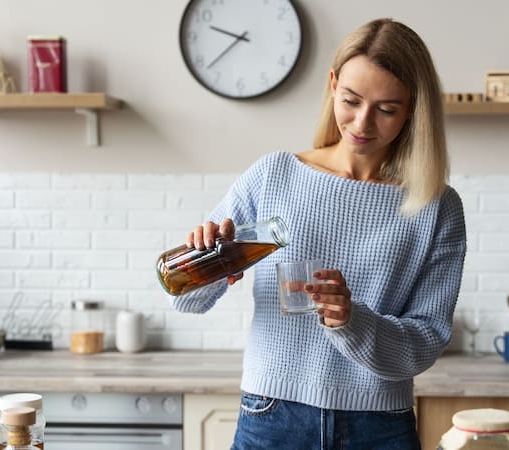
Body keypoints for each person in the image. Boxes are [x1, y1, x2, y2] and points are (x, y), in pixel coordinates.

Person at [170, 18, 466, 449]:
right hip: (272, 415)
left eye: (386, 109)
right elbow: (186, 300)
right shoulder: (274, 175)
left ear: (413, 109)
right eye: (351, 100)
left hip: (379, 427)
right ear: (332, 85)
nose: (362, 123)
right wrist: (205, 259)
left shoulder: (436, 206)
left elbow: (426, 342)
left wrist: (352, 321)